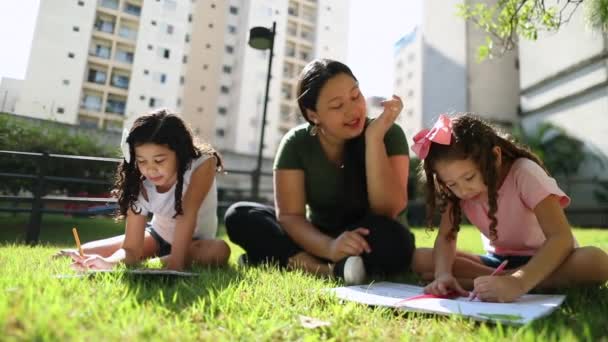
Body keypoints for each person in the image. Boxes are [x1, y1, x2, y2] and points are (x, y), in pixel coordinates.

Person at [224, 59, 416, 285]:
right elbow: (290, 216)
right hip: (317, 240)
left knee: (391, 241)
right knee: (240, 215)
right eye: (337, 106)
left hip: (370, 238)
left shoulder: (386, 133)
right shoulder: (296, 143)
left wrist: (373, 139)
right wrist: (330, 247)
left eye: (355, 96)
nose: (353, 110)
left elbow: (389, 209)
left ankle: (277, 257)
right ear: (313, 114)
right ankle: (328, 271)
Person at [413, 114, 608, 302]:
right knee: (421, 258)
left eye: (469, 178)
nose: (463, 190)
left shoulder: (524, 173)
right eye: (452, 184)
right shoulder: (455, 192)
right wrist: (443, 274)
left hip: (547, 259)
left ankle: (498, 283)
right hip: (497, 262)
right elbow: (446, 237)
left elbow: (561, 238)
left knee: (597, 262)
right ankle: (498, 282)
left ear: (494, 157)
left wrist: (518, 283)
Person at [61, 109, 230, 271]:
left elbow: (187, 213)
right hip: (157, 236)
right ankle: (159, 259)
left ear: (179, 152)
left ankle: (157, 262)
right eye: (142, 161)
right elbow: (131, 248)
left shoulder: (203, 163)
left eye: (159, 160)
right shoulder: (139, 183)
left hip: (195, 243)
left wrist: (176, 265)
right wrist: (109, 263)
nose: (150, 170)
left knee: (219, 250)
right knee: (80, 253)